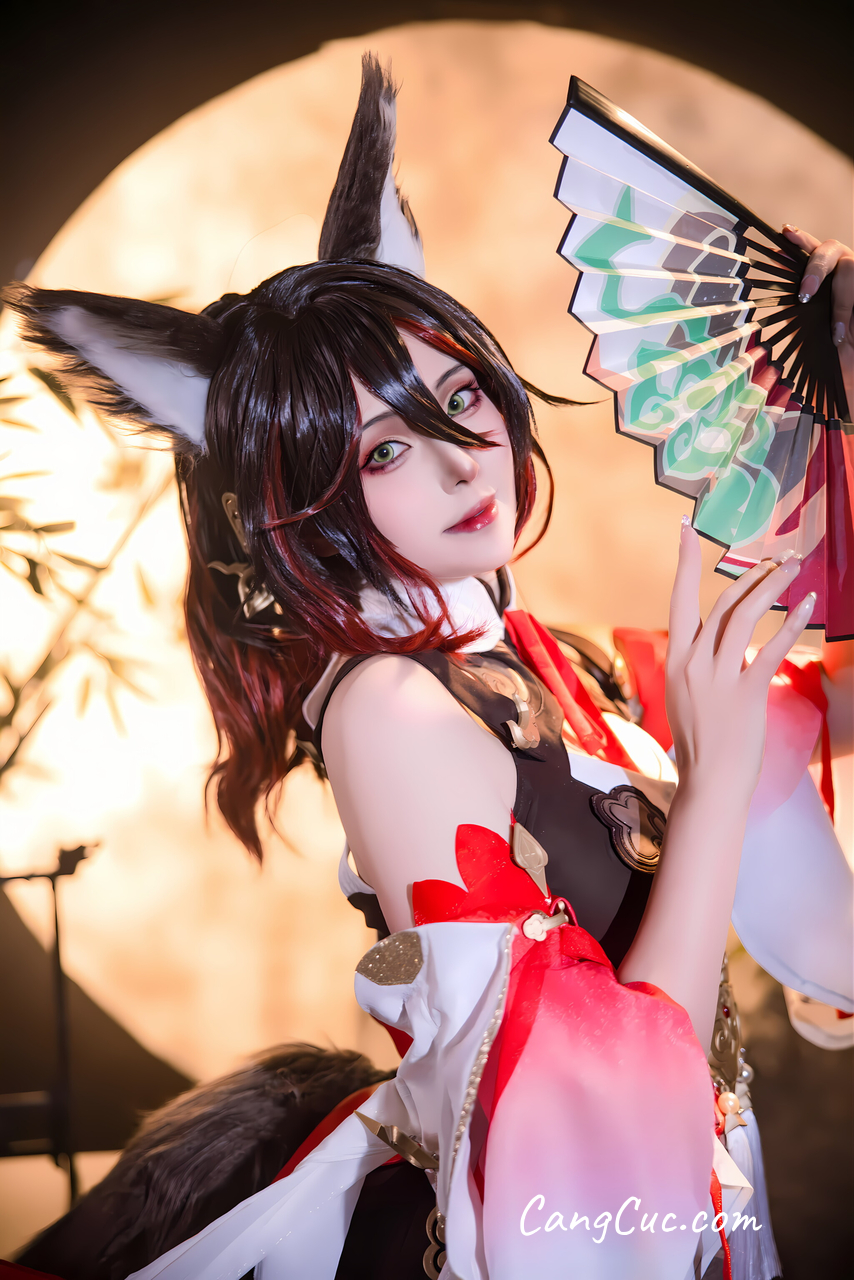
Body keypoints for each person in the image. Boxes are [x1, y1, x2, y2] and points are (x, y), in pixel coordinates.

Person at [4, 56, 852, 1280]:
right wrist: (711, 785)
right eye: (383, 449)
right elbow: (576, 1120)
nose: (462, 458)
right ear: (299, 501)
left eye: (458, 392)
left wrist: (839, 382)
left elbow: (820, 733)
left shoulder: (549, 662)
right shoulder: (387, 708)